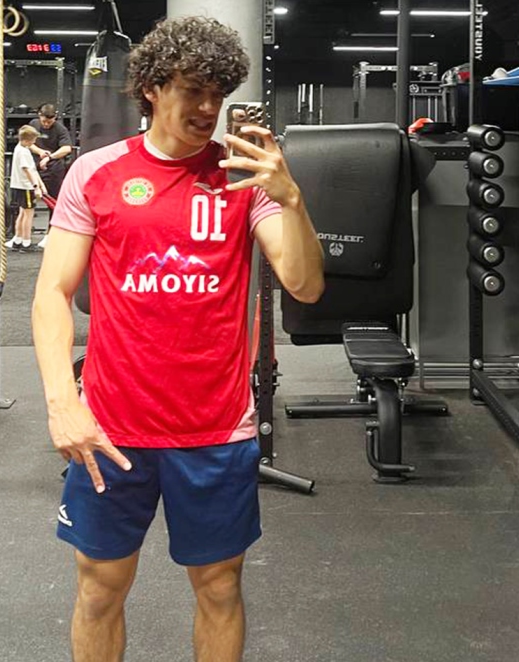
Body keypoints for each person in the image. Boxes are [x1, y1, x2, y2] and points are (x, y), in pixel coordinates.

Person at [31, 16, 324, 662]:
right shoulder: (95, 173)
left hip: (215, 429)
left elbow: (305, 286)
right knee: (99, 589)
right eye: (194, 90)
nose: (209, 109)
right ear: (152, 88)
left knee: (219, 588)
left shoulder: (244, 178)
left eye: (218, 94)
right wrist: (62, 402)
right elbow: (52, 293)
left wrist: (292, 199)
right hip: (112, 428)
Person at [29, 103, 73, 249]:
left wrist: (50, 157)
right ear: (39, 116)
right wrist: (40, 152)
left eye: (50, 121)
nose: (46, 124)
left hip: (53, 169)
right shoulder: (34, 124)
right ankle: (21, 236)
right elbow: (27, 142)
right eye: (44, 121)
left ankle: (50, 235)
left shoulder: (60, 129)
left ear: (55, 118)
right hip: (33, 167)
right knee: (24, 203)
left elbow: (67, 148)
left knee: (54, 203)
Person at [7, 125, 47, 251]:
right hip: (26, 187)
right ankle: (26, 243)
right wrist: (36, 187)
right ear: (26, 140)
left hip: (19, 186)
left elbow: (32, 169)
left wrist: (41, 185)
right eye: (32, 141)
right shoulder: (23, 152)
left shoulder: (20, 148)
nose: (33, 143)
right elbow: (27, 170)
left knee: (22, 213)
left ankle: (18, 240)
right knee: (28, 215)